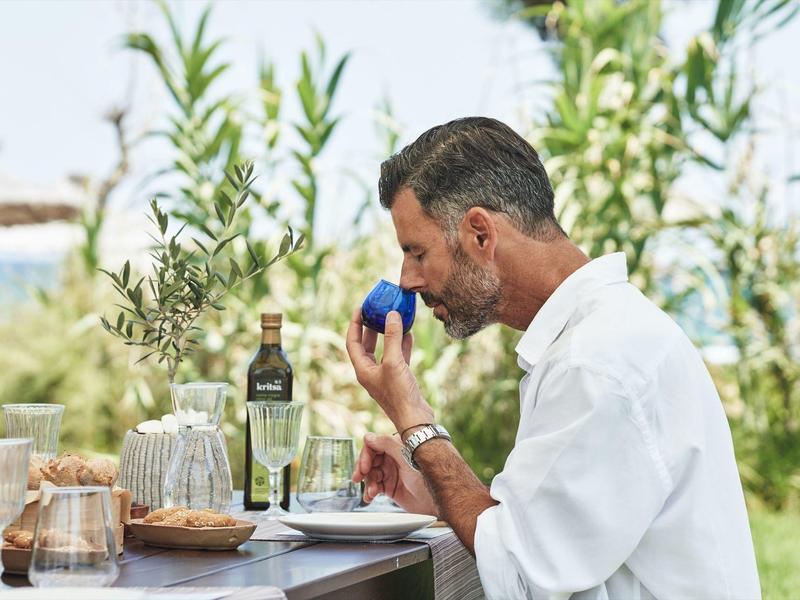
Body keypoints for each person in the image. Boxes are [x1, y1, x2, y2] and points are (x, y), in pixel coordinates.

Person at [345, 117, 761, 599]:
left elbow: (522, 577)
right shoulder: (604, 335)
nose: (407, 280)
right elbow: (537, 534)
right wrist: (428, 485)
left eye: (417, 252)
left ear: (480, 234)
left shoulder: (597, 361)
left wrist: (414, 422)